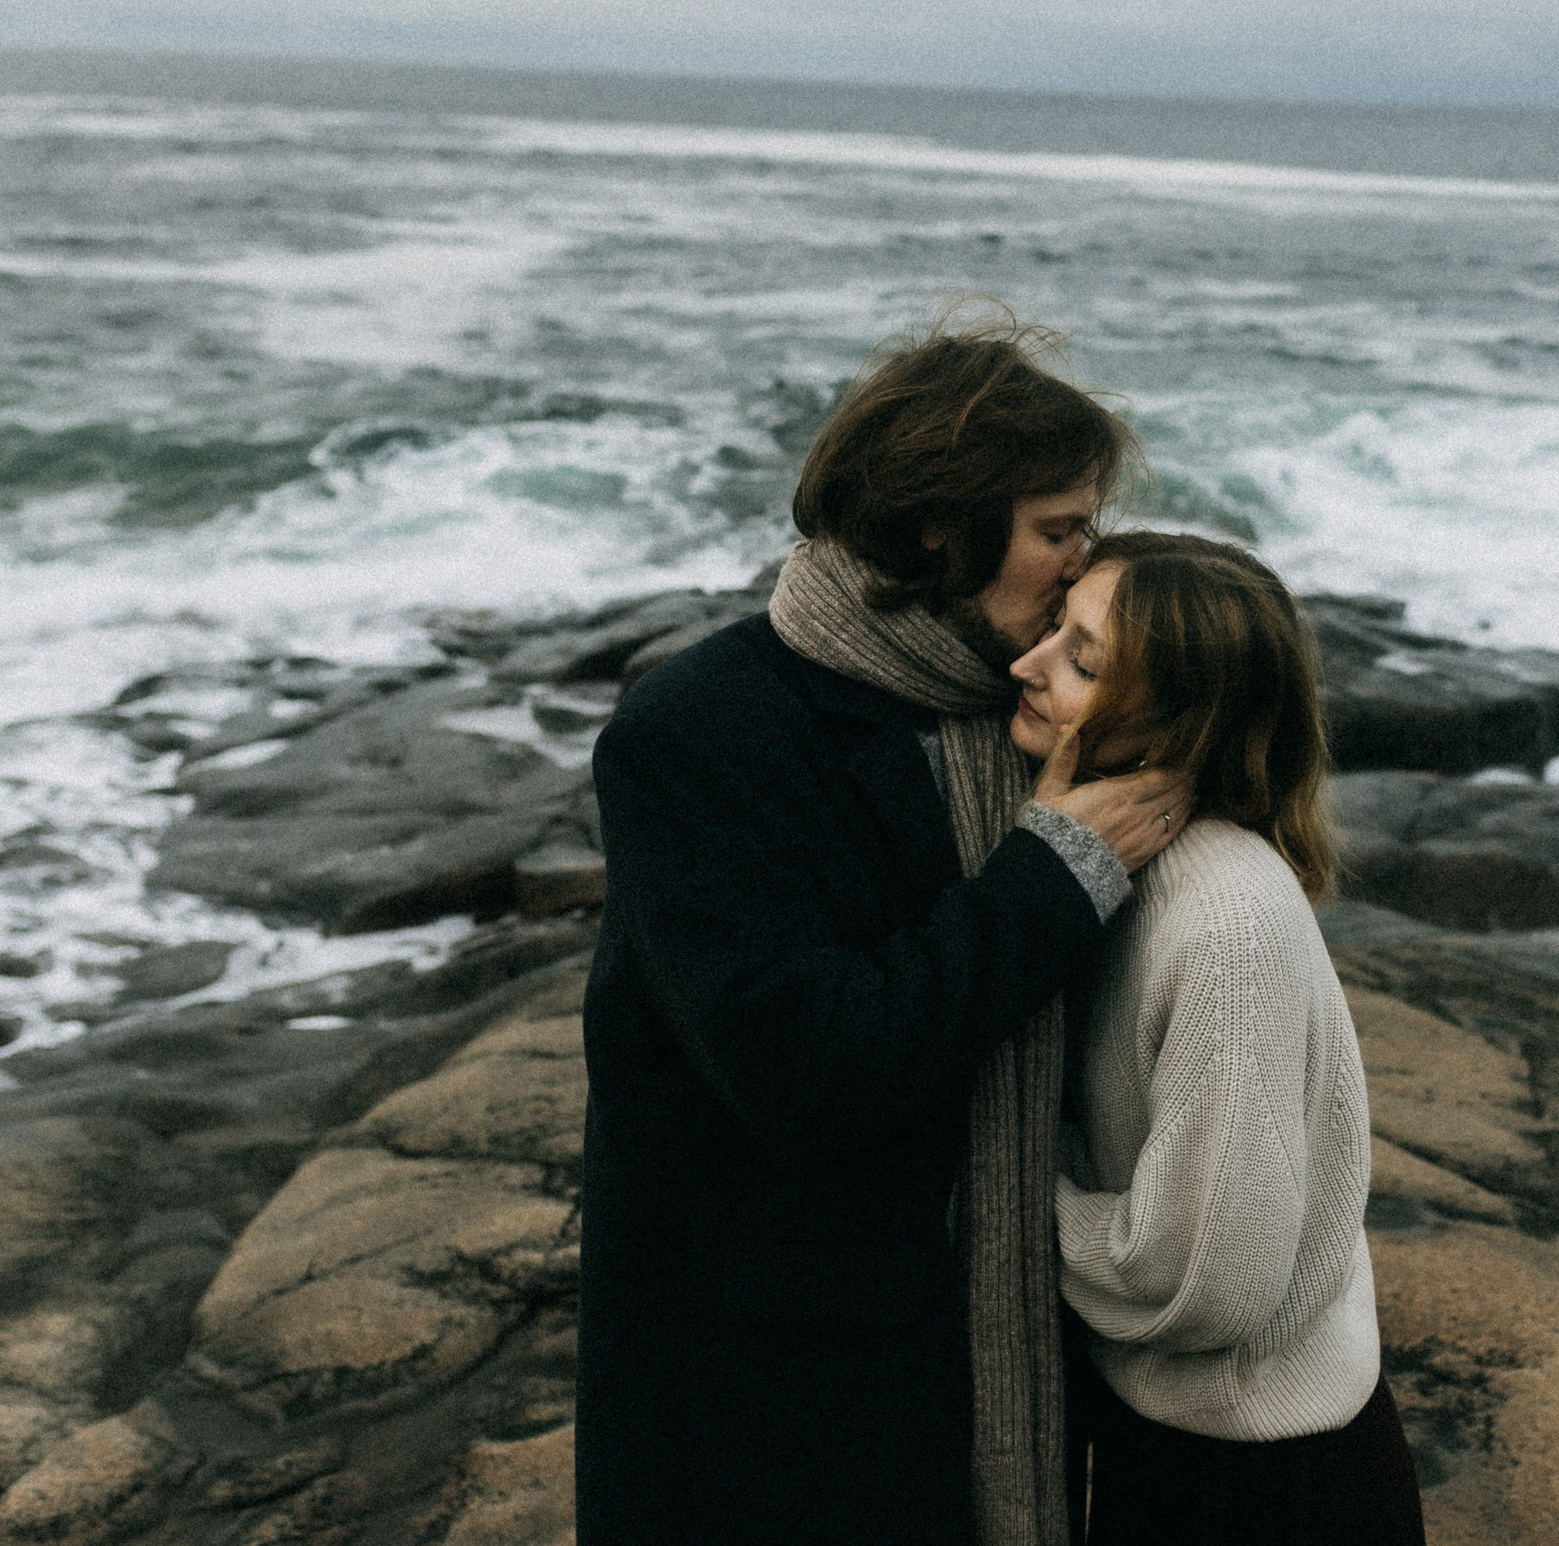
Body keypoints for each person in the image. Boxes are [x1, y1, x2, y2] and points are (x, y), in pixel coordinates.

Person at [576, 313, 1190, 1546]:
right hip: (764, 1400)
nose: (1080, 573)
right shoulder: (699, 733)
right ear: (934, 527)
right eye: (1058, 533)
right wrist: (1060, 869)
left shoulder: (1030, 723)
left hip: (982, 1356)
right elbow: (806, 1063)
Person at [1007, 532, 1427, 1546]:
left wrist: (1004, 1195)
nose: (1026, 664)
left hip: (1270, 1482)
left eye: (1083, 660)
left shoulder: (1225, 920)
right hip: (1170, 1439)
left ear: (1174, 726)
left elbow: (1213, 1275)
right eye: (1053, 632)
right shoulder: (1103, 865)